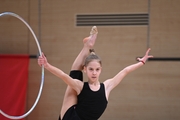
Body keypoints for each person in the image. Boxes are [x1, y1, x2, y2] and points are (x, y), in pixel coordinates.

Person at [38, 26, 153, 120]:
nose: (94, 73)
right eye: (91, 69)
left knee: (74, 78)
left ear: (101, 70)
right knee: (73, 80)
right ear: (85, 69)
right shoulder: (81, 86)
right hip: (70, 117)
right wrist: (47, 65)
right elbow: (63, 75)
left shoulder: (107, 86)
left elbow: (125, 71)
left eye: (97, 69)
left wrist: (141, 63)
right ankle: (87, 46)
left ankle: (87, 46)